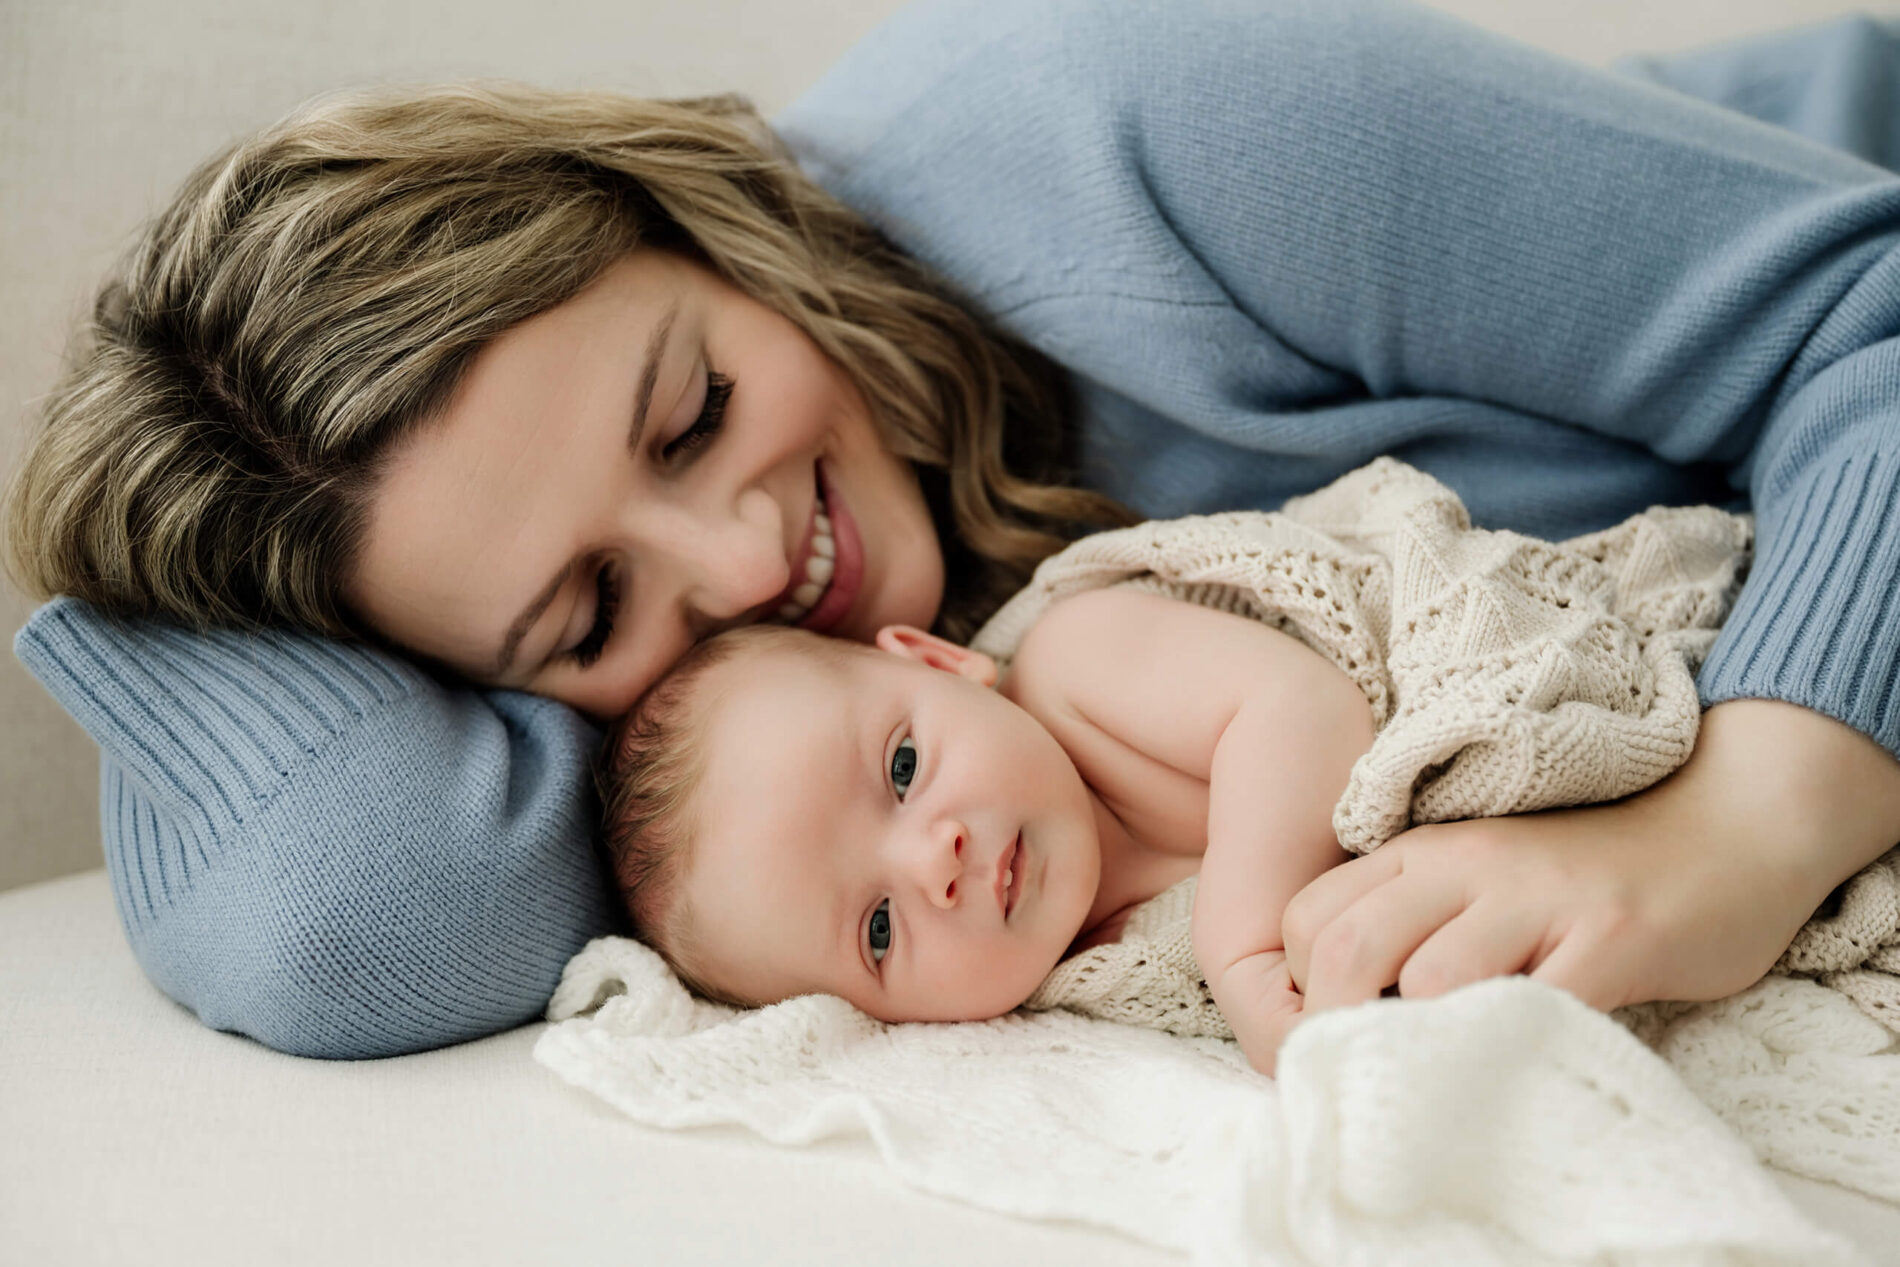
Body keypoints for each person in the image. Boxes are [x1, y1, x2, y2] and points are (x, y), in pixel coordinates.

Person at [8, 0, 1900, 1058]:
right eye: (590, 610)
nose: (744, 568)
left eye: (694, 412)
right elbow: (338, 912)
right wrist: (145, 597)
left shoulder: (1125, 113)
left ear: (688, 217)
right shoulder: (764, 763)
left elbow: (1868, 314)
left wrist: (1745, 825)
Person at [599, 593, 1376, 1076]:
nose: (934, 860)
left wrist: (1242, 948)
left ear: (940, 663)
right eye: (878, 928)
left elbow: (1306, 710)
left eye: (903, 767)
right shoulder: (1078, 993)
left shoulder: (1078, 662)